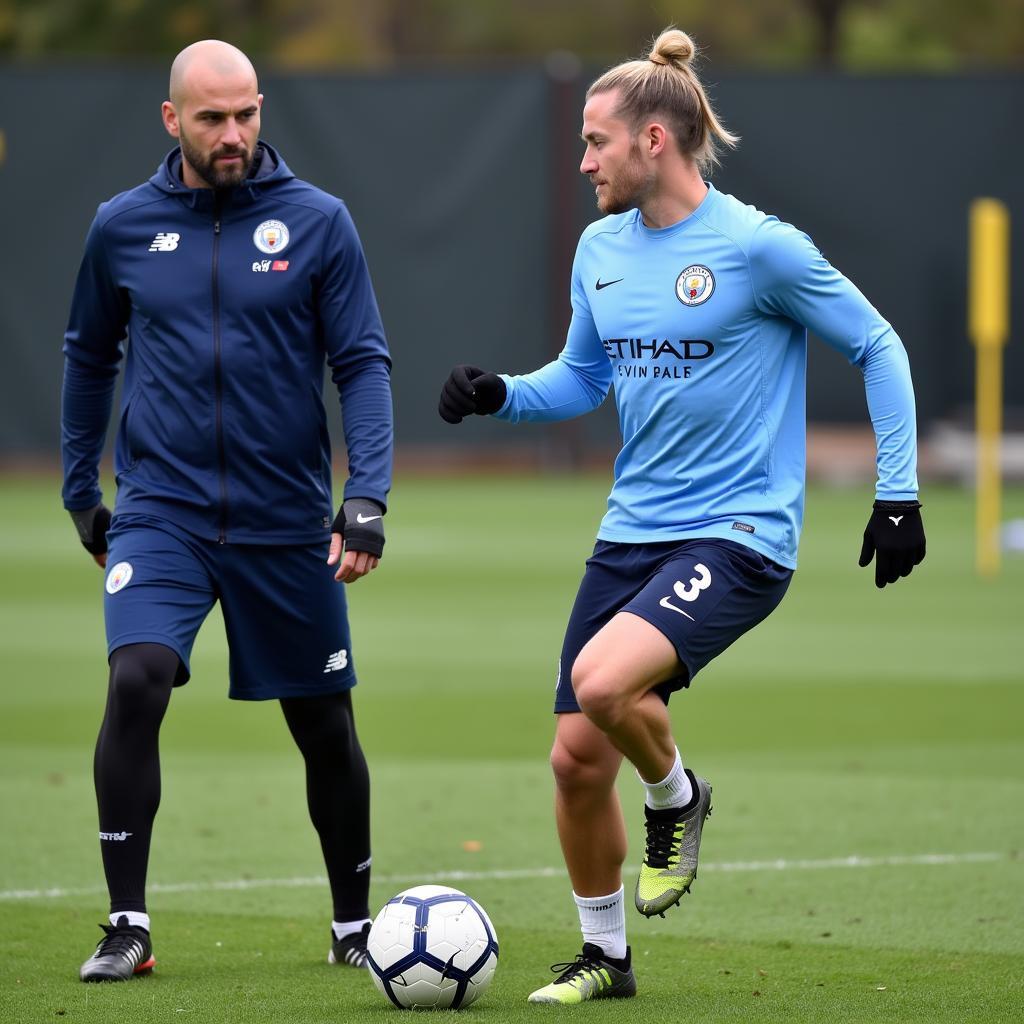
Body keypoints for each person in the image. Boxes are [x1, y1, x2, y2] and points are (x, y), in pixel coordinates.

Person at [439, 27, 925, 1005]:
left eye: (595, 143)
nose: (582, 163)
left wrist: (898, 491)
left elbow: (878, 345)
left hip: (739, 533)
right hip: (632, 529)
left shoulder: (758, 248)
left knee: (602, 681)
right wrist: (500, 394)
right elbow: (580, 383)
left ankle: (676, 795)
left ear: (653, 140)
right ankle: (605, 957)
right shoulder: (600, 249)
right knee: (575, 759)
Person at [62, 40, 393, 982]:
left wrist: (363, 495)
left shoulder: (320, 222)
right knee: (138, 680)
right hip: (161, 512)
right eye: (213, 118)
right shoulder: (120, 226)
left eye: (247, 113)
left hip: (286, 519)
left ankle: (352, 926)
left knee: (324, 724)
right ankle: (127, 922)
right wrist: (81, 490)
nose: (235, 133)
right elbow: (88, 358)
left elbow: (362, 363)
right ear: (173, 121)